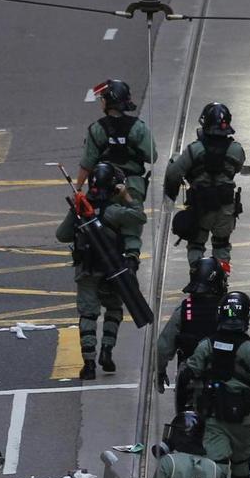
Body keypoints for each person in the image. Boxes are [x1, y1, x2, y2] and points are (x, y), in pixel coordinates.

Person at [57, 161, 146, 377]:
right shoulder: (114, 211)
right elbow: (139, 217)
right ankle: (107, 350)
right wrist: (127, 197)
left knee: (88, 314)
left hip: (86, 269)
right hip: (112, 269)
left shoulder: (81, 209)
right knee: (113, 309)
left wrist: (74, 212)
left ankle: (88, 364)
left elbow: (62, 235)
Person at [180, 291, 250, 478]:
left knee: (216, 463)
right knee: (241, 462)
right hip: (243, 418)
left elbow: (188, 375)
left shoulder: (206, 346)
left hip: (214, 417)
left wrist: (185, 409)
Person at [80, 78, 157, 261]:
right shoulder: (138, 128)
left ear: (107, 102)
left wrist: (78, 189)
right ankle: (132, 258)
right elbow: (152, 156)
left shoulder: (96, 129)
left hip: (104, 185)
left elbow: (87, 163)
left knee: (102, 222)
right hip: (133, 185)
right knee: (132, 225)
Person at [164, 103, 246, 272]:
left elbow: (173, 174)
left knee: (196, 244)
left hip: (200, 208)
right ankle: (222, 277)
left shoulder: (194, 150)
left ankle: (197, 274)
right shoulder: (236, 149)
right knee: (222, 245)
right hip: (225, 208)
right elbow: (237, 168)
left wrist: (171, 196)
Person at [157, 257, 228, 401]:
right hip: (224, 376)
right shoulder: (226, 309)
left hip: (190, 377)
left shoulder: (185, 309)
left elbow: (163, 347)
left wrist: (160, 371)